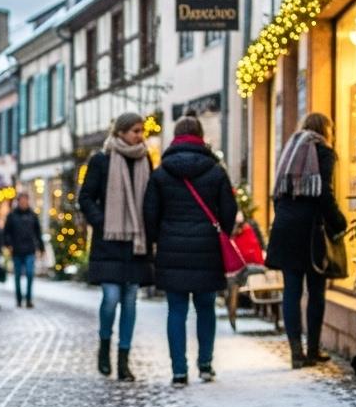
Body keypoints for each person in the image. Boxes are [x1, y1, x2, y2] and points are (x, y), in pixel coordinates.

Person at [144, 116, 237, 385]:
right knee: (206, 307)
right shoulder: (216, 171)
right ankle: (205, 364)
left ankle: (179, 370)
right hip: (207, 247)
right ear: (200, 136)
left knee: (176, 310)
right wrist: (222, 232)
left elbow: (150, 213)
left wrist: (157, 239)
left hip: (172, 248)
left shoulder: (161, 173)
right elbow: (229, 209)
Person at [265, 113, 348, 368]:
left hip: (285, 226)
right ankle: (312, 349)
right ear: (326, 130)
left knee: (291, 290)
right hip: (311, 230)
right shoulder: (323, 151)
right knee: (316, 290)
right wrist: (339, 222)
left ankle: (295, 352)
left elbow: (277, 193)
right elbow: (324, 193)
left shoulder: (290, 150)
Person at [78, 113, 154, 381]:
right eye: (135, 131)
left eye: (141, 131)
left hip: (135, 243)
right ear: (121, 132)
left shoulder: (145, 159)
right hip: (109, 241)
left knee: (131, 301)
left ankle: (124, 360)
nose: (139, 135)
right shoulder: (101, 160)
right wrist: (102, 222)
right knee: (110, 299)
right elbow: (85, 197)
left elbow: (151, 200)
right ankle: (104, 346)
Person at [3, 194, 44, 308]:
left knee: (30, 274)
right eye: (22, 201)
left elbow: (38, 232)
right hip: (16, 250)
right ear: (18, 201)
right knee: (17, 276)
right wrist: (8, 245)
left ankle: (29, 299)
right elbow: (6, 232)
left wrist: (41, 248)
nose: (24, 203)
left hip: (30, 249)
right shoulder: (12, 216)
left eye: (25, 201)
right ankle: (19, 298)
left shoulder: (32, 215)